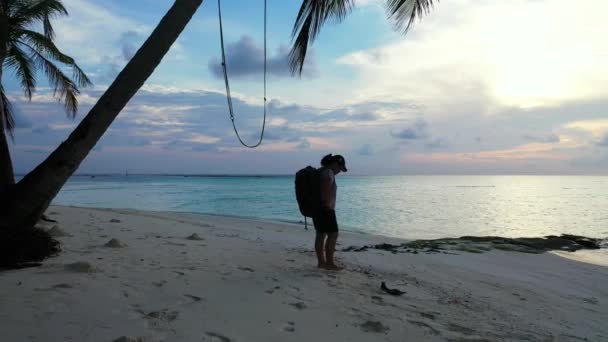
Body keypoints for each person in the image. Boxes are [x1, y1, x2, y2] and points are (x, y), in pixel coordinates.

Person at [314, 154, 347, 271]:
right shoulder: (329, 173)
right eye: (340, 168)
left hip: (316, 208)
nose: (339, 171)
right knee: (333, 234)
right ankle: (329, 263)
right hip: (326, 209)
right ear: (335, 164)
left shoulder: (319, 172)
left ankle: (321, 263)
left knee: (320, 235)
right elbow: (326, 189)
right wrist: (326, 205)